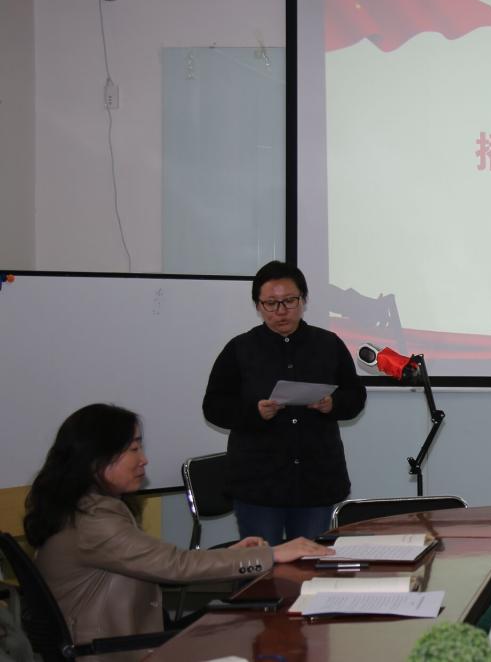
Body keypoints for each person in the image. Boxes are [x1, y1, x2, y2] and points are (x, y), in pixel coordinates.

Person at [22, 404, 330, 660]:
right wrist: (271, 554)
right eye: (133, 449)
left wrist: (234, 555)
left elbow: (160, 561)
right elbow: (175, 565)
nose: (143, 459)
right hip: (109, 651)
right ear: (96, 459)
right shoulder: (94, 520)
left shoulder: (82, 507)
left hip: (124, 638)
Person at [203, 260, 367, 544]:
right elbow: (214, 406)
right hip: (258, 483)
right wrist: (254, 412)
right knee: (261, 563)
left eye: (290, 301)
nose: (281, 311)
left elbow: (355, 396)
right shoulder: (240, 349)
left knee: (309, 562)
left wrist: (333, 404)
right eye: (271, 304)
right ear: (258, 306)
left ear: (304, 300)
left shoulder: (328, 344)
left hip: (316, 480)